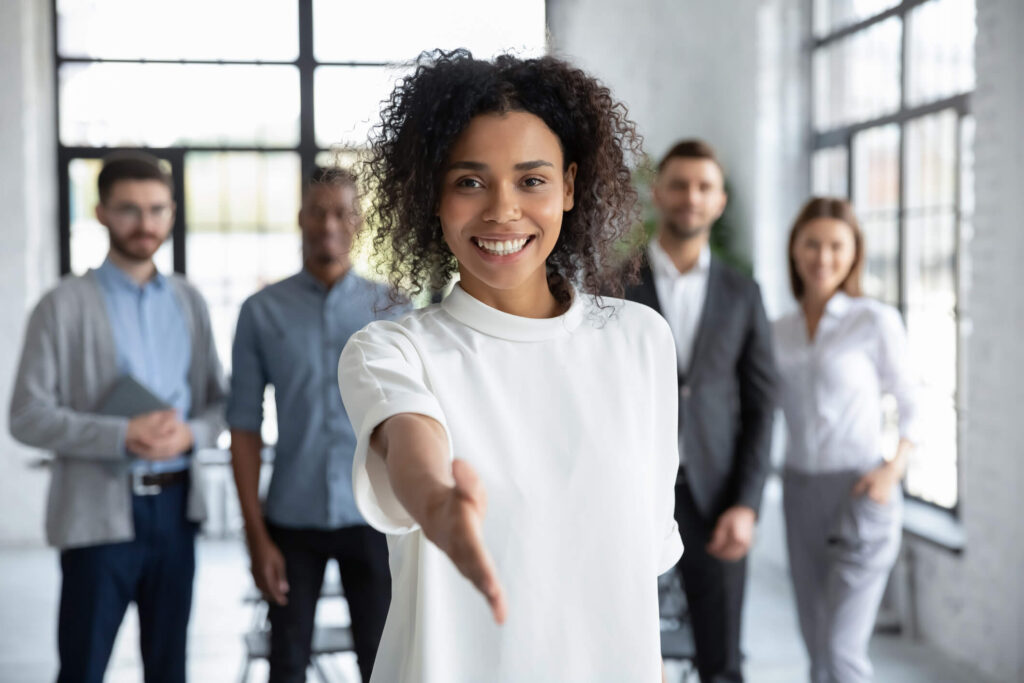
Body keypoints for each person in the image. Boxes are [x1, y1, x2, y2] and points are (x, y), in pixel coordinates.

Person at [335, 49, 682, 682]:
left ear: (571, 186)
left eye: (531, 180)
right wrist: (436, 502)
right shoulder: (393, 351)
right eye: (469, 181)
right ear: (432, 196)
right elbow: (412, 445)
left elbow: (637, 576)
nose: (501, 210)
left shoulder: (641, 341)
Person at [8, 153, 226, 683]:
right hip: (97, 515)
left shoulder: (189, 301)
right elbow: (26, 416)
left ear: (172, 213)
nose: (145, 224)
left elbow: (218, 407)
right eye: (129, 209)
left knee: (169, 670)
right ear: (102, 211)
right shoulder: (61, 305)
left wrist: (189, 434)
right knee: (83, 668)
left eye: (156, 209)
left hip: (176, 511)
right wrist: (121, 434)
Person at [227, 166, 403, 683]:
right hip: (291, 519)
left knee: (384, 659)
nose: (329, 223)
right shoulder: (261, 312)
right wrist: (256, 538)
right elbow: (243, 425)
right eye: (318, 211)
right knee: (286, 663)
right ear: (301, 219)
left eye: (342, 212)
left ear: (359, 222)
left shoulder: (391, 309)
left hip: (373, 516)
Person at [624, 139, 777, 682]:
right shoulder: (615, 286)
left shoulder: (744, 294)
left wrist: (748, 504)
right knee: (625, 649)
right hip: (633, 493)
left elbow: (762, 406)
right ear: (659, 194)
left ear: (720, 201)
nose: (691, 196)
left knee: (722, 658)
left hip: (718, 498)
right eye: (680, 184)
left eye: (704, 186)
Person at [773, 197, 920, 683]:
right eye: (812, 243)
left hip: (861, 490)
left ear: (854, 252)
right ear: (794, 250)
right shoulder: (779, 331)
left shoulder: (873, 321)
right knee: (816, 646)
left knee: (841, 650)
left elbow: (913, 403)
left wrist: (891, 470)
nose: (823, 256)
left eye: (837, 245)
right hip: (799, 493)